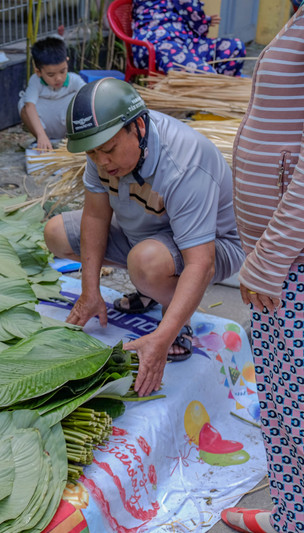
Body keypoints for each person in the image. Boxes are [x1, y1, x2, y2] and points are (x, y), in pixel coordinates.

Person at [43, 78, 244, 397]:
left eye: (108, 151)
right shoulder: (101, 151)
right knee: (56, 233)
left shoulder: (183, 163)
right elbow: (95, 216)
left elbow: (200, 264)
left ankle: (177, 318)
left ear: (137, 126)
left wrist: (162, 338)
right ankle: (150, 289)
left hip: (213, 247)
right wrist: (90, 289)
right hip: (146, 236)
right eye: (93, 154)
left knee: (146, 262)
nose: (102, 162)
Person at [221, 3, 304, 532]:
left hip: (289, 262)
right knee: (284, 401)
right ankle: (294, 512)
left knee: (290, 405)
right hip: (283, 257)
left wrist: (268, 260)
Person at [132, 0, 245, 76]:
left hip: (186, 41)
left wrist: (204, 21)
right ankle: (208, 102)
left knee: (234, 47)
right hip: (157, 45)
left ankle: (220, 98)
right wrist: (203, 23)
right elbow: (193, 12)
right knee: (206, 74)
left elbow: (186, 13)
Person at [17, 36, 85, 152]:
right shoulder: (35, 81)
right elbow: (29, 106)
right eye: (51, 75)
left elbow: (91, 99)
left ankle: (72, 139)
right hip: (43, 129)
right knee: (24, 105)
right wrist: (41, 135)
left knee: (83, 99)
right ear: (38, 72)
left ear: (67, 61)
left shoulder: (75, 80)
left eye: (63, 71)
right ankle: (44, 140)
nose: (58, 78)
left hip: (67, 128)